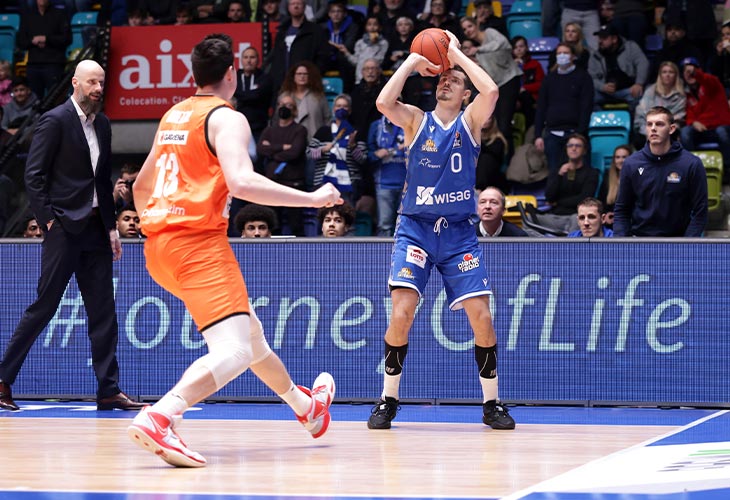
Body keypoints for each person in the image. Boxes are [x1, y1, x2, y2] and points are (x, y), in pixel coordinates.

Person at [128, 34, 340, 468]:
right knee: (235, 351)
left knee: (252, 337)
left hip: (159, 248)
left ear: (193, 74)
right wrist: (314, 199)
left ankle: (308, 409)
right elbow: (242, 183)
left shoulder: (174, 114)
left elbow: (139, 187)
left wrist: (159, 222)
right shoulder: (227, 118)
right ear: (231, 75)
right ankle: (161, 416)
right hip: (197, 245)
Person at [367, 31, 515, 430]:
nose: (445, 80)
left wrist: (456, 56)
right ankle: (388, 400)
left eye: (454, 80)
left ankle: (492, 404)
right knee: (402, 311)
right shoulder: (416, 119)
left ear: (465, 93)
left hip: (458, 235)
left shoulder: (470, 120)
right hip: (416, 229)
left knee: (481, 316)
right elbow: (383, 102)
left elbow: (492, 91)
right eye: (441, 78)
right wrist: (413, 62)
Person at [0, 60, 146, 413]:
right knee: (44, 306)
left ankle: (108, 390)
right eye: (92, 82)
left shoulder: (105, 124)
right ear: (76, 83)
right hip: (64, 228)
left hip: (96, 229)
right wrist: (48, 220)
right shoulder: (54, 120)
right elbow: (33, 176)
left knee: (104, 312)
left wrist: (112, 228)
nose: (98, 88)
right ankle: (3, 380)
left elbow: (101, 181)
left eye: (102, 82)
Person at [614, 106, 708, 237]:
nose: (653, 128)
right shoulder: (631, 163)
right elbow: (622, 210)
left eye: (659, 124)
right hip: (639, 240)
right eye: (649, 124)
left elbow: (700, 211)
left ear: (671, 129)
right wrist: (621, 243)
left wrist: (688, 244)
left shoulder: (691, 163)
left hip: (678, 241)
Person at [534, 43, 594, 174]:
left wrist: (580, 133)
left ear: (573, 56)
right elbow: (541, 108)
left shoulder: (583, 77)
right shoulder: (549, 79)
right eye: (559, 53)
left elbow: (586, 107)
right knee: (555, 173)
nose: (562, 56)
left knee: (579, 172)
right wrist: (538, 135)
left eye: (565, 53)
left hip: (575, 133)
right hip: (552, 134)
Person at [257, 92, 309, 235]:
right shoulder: (269, 129)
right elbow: (261, 149)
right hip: (273, 183)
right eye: (281, 104)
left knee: (296, 224)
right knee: (273, 225)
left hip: (294, 183)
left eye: (288, 105)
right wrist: (282, 147)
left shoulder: (300, 130)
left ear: (294, 110)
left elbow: (294, 153)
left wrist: (272, 150)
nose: (284, 107)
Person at [679, 57, 730, 182]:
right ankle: (691, 170)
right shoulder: (686, 94)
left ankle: (728, 169)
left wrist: (696, 73)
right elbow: (689, 114)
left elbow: (707, 79)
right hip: (702, 130)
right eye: (686, 72)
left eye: (691, 71)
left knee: (722, 132)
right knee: (685, 132)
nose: (689, 74)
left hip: (720, 127)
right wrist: (693, 122)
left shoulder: (712, 84)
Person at [542, 133, 599, 233]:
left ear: (584, 150)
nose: (573, 148)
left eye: (578, 146)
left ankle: (566, 243)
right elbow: (549, 196)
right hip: (556, 217)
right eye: (570, 145)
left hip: (575, 216)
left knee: (577, 221)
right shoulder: (558, 171)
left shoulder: (591, 173)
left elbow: (584, 199)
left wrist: (558, 202)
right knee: (528, 218)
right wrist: (559, 175)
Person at [16, 0, 71, 99]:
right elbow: (21, 42)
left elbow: (67, 38)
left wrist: (47, 39)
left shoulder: (60, 14)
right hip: (33, 64)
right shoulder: (28, 16)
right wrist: (33, 41)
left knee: (55, 100)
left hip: (54, 64)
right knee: (34, 101)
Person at [588, 24, 649, 111]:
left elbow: (643, 63)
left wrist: (639, 83)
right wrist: (602, 87)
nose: (600, 41)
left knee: (641, 95)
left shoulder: (630, 47)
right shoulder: (595, 55)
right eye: (599, 38)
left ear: (614, 39)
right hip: (605, 92)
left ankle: (633, 123)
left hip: (628, 90)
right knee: (589, 97)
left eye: (604, 38)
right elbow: (591, 77)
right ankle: (601, 123)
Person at [367, 114, 406, 236]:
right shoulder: (376, 126)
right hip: (384, 182)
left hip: (407, 184)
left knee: (406, 224)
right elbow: (368, 155)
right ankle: (384, 255)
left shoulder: (409, 123)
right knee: (385, 225)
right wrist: (376, 154)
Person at [633, 61, 685, 148]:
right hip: (648, 127)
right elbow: (641, 111)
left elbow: (679, 116)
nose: (667, 75)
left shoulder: (681, 94)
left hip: (670, 129)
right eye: (664, 72)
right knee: (638, 139)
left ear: (676, 75)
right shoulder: (650, 91)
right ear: (660, 75)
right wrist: (648, 130)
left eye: (671, 72)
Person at [233, 47, 273, 144]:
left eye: (252, 57)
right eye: (246, 57)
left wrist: (239, 95)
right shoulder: (234, 77)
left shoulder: (265, 77)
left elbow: (257, 96)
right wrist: (251, 94)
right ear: (241, 60)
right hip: (238, 126)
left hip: (259, 127)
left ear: (258, 60)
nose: (249, 61)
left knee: (258, 155)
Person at [598, 144, 632, 227]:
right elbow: (601, 201)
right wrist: (606, 215)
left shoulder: (636, 177)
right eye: (617, 157)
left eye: (624, 157)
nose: (621, 160)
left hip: (630, 220)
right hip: (610, 221)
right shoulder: (607, 177)